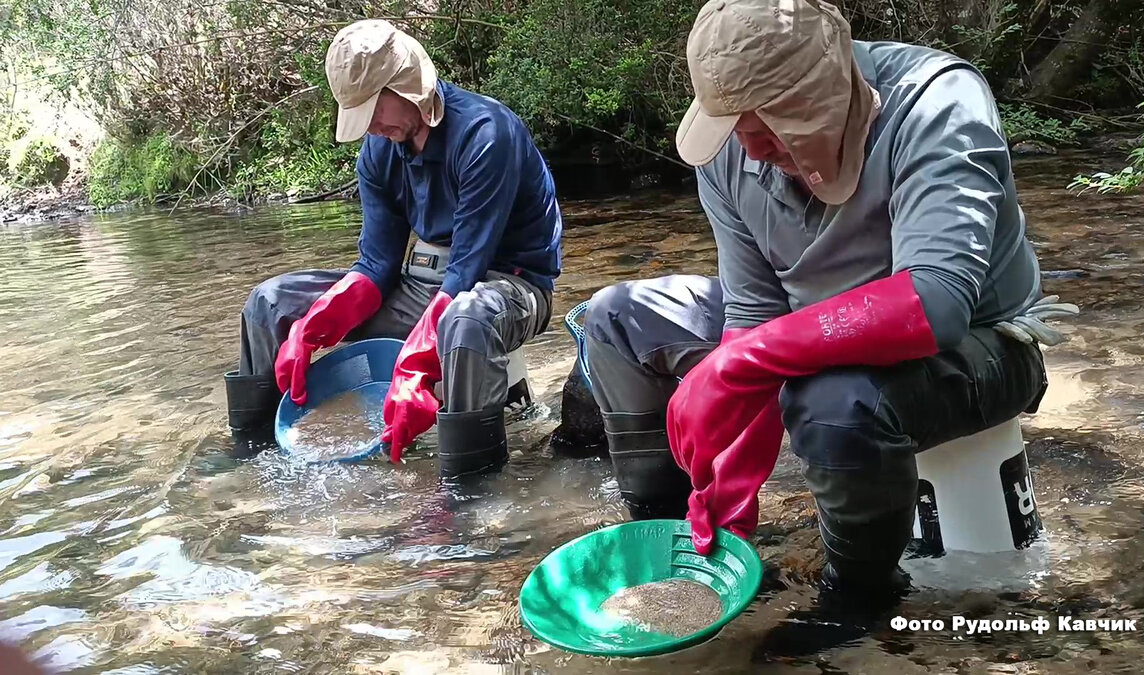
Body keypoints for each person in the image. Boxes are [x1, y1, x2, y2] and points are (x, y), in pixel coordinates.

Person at [578, 0, 1078, 605]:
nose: (750, 151)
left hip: (985, 338)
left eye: (766, 128)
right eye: (735, 129)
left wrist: (740, 366)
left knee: (834, 401)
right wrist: (731, 466)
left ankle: (858, 602)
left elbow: (937, 301)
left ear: (822, 98)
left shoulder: (936, 101)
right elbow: (754, 310)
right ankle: (679, 535)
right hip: (809, 320)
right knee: (615, 318)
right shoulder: (731, 148)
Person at [222, 19, 563, 478]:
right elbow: (378, 264)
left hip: (509, 286)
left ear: (407, 86)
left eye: (373, 110)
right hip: (426, 285)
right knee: (270, 302)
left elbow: (467, 268)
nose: (370, 127)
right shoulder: (379, 151)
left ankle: (472, 488)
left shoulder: (486, 133)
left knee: (466, 320)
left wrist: (414, 365)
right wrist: (317, 323)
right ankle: (253, 456)